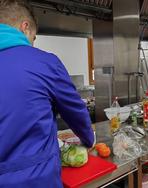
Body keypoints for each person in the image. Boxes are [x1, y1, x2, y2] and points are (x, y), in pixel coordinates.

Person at [0, 0, 95, 187]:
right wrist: (88, 139)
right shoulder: (44, 62)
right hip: (36, 178)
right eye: (33, 38)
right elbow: (74, 110)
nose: (33, 45)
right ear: (25, 27)